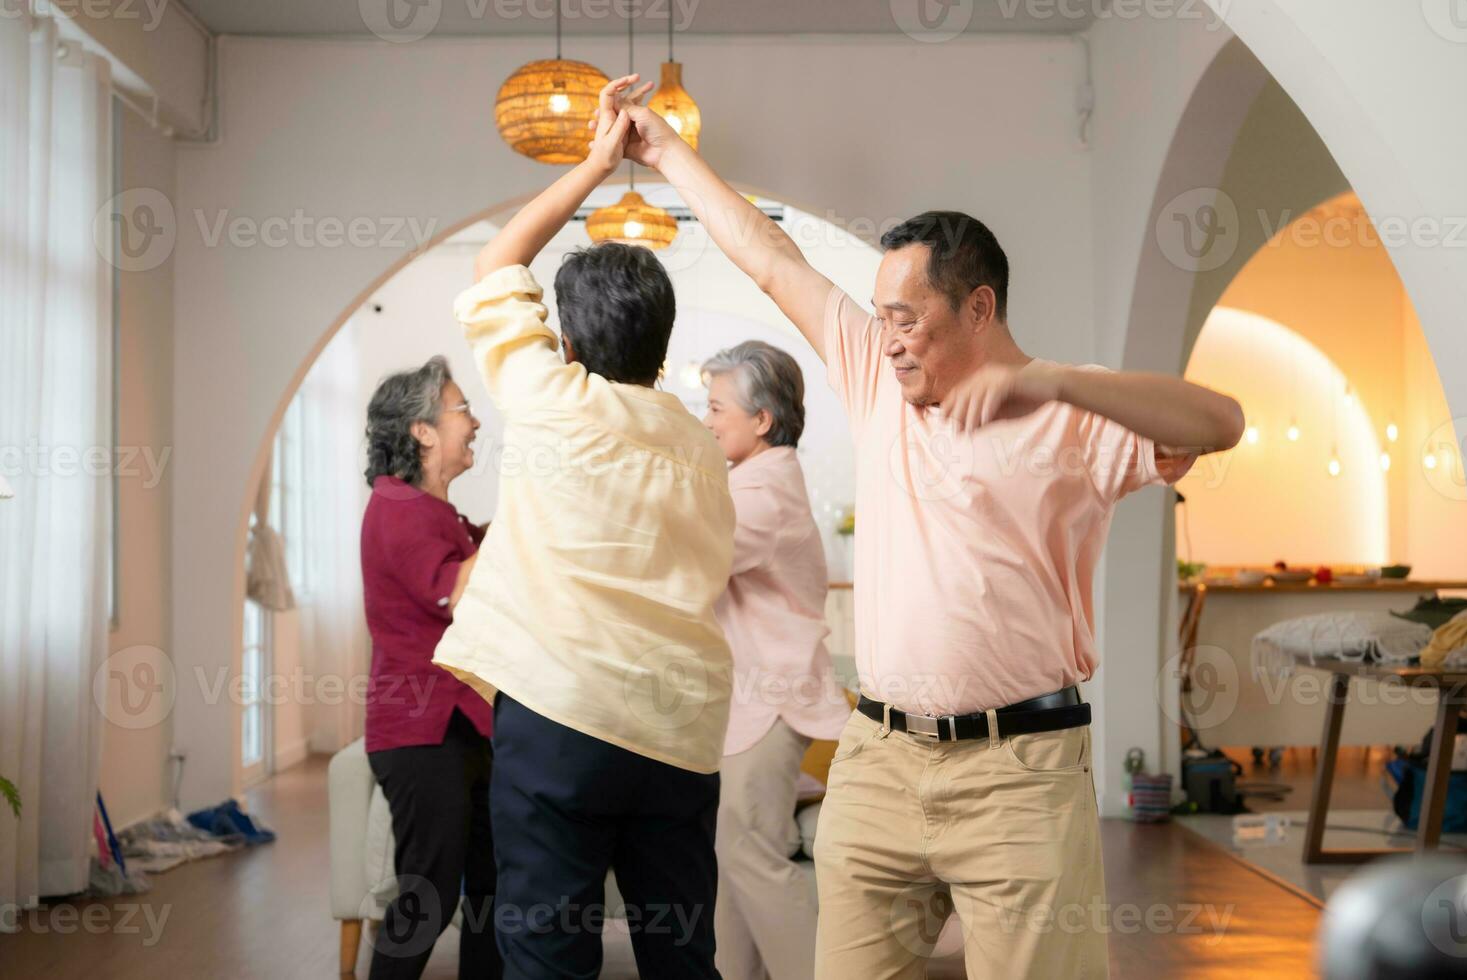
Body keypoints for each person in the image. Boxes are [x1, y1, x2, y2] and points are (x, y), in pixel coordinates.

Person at [610, 90, 1244, 978]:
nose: (890, 338)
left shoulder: (1074, 411)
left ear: (978, 309)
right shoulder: (875, 372)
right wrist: (667, 151)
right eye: (882, 317)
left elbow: (1221, 420)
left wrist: (1060, 382)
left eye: (908, 317)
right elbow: (768, 254)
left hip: (1019, 773)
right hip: (877, 763)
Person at [430, 75, 735, 979]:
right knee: (683, 956)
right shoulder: (702, 442)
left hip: (561, 715)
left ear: (567, 343)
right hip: (679, 727)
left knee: (548, 954)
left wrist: (598, 162)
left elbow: (497, 266)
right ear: (662, 342)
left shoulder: (551, 398)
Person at [701, 341, 851, 980]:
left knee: (749, 854)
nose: (707, 421)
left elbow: (695, 556)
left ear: (761, 419)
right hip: (753, 701)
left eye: (716, 408)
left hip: (771, 700)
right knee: (735, 858)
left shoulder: (763, 490)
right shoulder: (752, 479)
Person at [359, 356, 502, 980]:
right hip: (420, 732)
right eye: (461, 408)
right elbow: (454, 592)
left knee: (491, 889)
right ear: (422, 431)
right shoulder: (398, 507)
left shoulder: (434, 511)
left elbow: (479, 551)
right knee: (431, 892)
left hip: (462, 723)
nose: (473, 422)